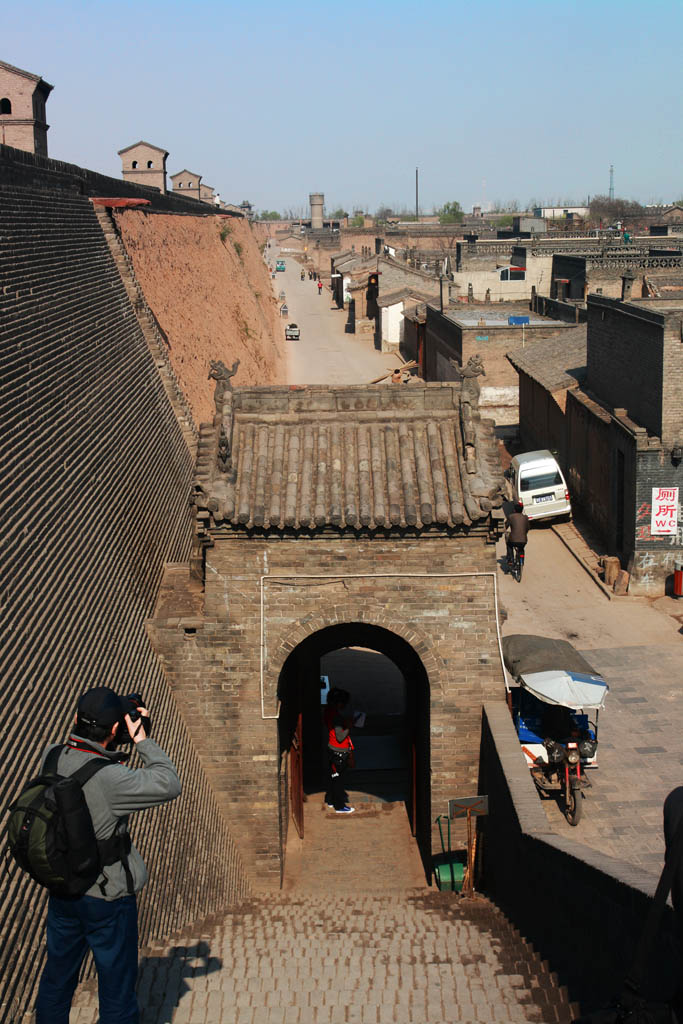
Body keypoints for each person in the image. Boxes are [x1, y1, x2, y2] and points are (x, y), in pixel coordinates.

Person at [35, 687, 182, 1024]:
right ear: (115, 730)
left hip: (62, 889)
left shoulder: (51, 755)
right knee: (116, 991)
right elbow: (169, 782)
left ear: (74, 719)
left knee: (57, 981)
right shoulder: (111, 778)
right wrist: (142, 739)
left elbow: (84, 753)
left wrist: (116, 735)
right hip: (106, 897)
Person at [323, 688, 356, 814]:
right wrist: (348, 727)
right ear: (339, 703)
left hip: (332, 749)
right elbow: (340, 736)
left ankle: (331, 800)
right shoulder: (336, 716)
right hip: (339, 752)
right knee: (339, 780)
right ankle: (340, 806)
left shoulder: (328, 711)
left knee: (333, 776)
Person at [505, 499, 529, 570]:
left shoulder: (511, 516)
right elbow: (528, 528)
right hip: (523, 540)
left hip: (513, 539)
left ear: (514, 510)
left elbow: (505, 526)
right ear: (522, 510)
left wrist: (505, 531)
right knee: (521, 548)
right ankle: (522, 562)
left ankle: (510, 560)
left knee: (509, 545)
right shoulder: (525, 517)